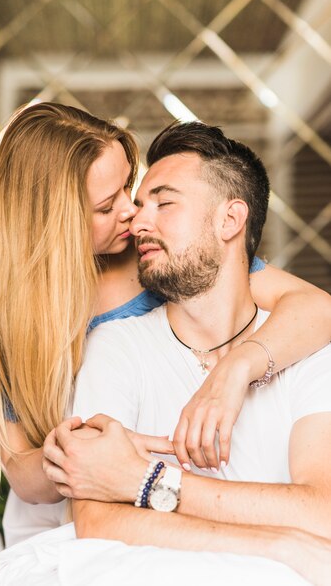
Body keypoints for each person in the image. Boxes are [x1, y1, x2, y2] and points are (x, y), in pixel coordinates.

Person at [0, 104, 331, 544]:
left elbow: (313, 307)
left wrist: (235, 371)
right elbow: (20, 471)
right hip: (62, 520)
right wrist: (84, 458)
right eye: (106, 206)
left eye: (127, 188)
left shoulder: (159, 258)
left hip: (163, 508)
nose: (133, 214)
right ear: (53, 218)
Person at [42, 121, 331, 584]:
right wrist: (280, 543)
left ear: (230, 220)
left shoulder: (309, 349)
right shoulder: (116, 346)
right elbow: (95, 520)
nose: (137, 221)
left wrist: (148, 479)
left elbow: (324, 514)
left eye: (164, 202)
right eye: (139, 205)